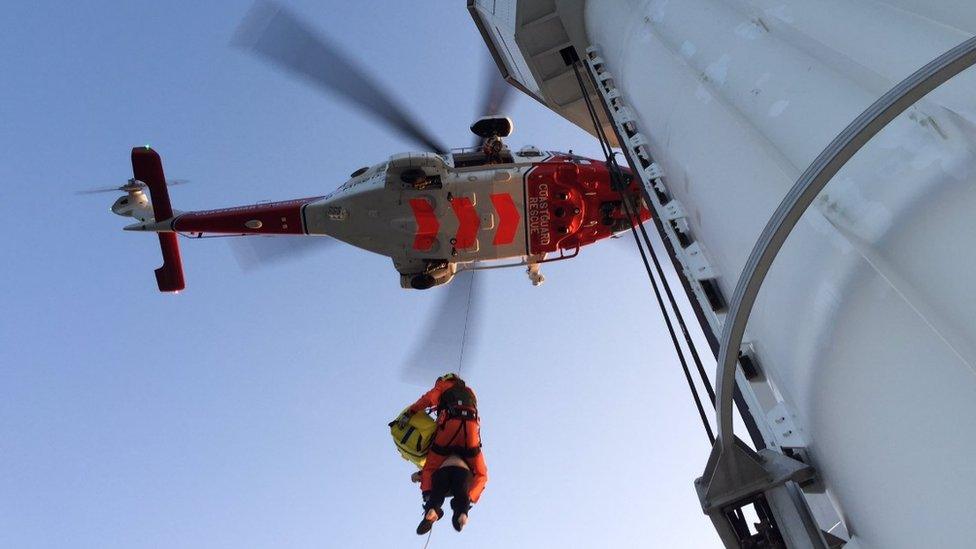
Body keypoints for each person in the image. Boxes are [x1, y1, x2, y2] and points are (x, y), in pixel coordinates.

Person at [400, 373, 487, 534]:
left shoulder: (443, 386)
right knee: (482, 474)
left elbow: (428, 399)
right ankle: (464, 508)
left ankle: (430, 505)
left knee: (429, 469)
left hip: (449, 429)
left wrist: (411, 412)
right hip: (470, 434)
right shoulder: (470, 391)